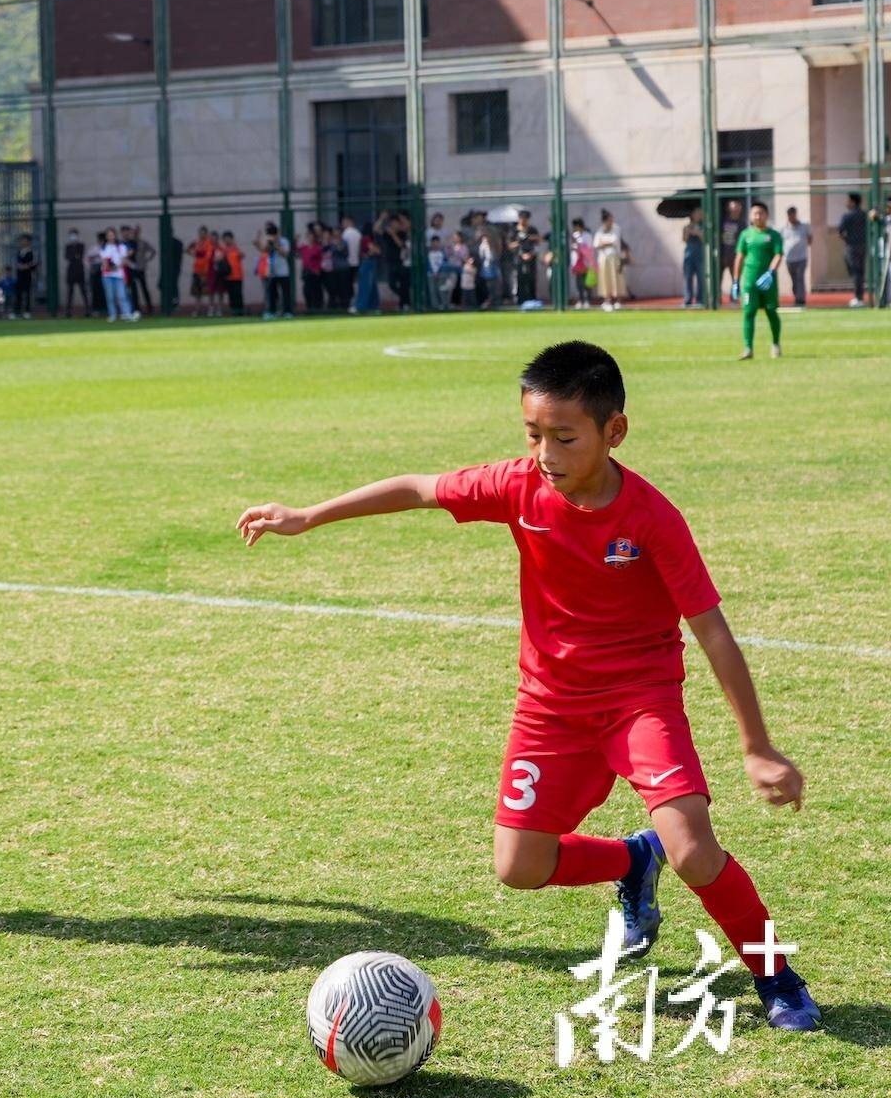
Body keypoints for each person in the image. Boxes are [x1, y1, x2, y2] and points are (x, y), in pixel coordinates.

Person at [235, 340, 821, 1033]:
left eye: (565, 437)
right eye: (533, 434)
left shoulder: (651, 518)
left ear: (614, 431)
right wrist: (308, 515)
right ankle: (633, 859)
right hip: (549, 708)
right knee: (519, 865)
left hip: (640, 704)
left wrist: (757, 746)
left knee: (693, 848)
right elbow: (419, 487)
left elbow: (713, 632)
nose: (545, 453)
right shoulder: (518, 486)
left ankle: (776, 975)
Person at [734, 201, 784, 360]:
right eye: (755, 213)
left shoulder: (773, 235)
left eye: (761, 213)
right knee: (748, 312)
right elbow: (740, 257)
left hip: (768, 283)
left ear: (766, 215)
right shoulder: (745, 235)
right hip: (749, 282)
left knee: (771, 312)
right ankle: (748, 348)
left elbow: (778, 255)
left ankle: (776, 344)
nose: (757, 216)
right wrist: (736, 280)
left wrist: (770, 272)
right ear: (750, 216)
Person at [835, 192, 868, 308]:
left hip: (851, 247)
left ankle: (858, 298)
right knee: (860, 272)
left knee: (855, 272)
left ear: (853, 202)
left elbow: (840, 232)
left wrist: (847, 239)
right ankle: (860, 297)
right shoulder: (865, 215)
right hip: (863, 246)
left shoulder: (847, 216)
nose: (846, 203)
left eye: (848, 201)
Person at [257, 222, 291, 319]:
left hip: (283, 272)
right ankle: (272, 312)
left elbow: (285, 254)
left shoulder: (284, 241)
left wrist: (276, 245)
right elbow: (263, 251)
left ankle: (287, 312)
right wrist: (266, 243)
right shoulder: (268, 241)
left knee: (285, 294)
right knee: (272, 294)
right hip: (271, 272)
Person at [780, 206, 811, 308]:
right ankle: (797, 296)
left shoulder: (804, 226)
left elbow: (810, 238)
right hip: (789, 259)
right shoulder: (783, 228)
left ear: (795, 214)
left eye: (793, 215)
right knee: (794, 279)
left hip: (801, 257)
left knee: (800, 278)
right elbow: (780, 242)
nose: (791, 217)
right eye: (789, 215)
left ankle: (800, 300)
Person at [592, 210, 625, 310]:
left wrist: (604, 243)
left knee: (616, 279)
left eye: (612, 220)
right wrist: (605, 243)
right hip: (603, 259)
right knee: (605, 280)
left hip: (614, 257)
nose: (611, 222)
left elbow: (614, 241)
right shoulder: (599, 231)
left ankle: (618, 301)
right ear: (605, 221)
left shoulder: (616, 228)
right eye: (609, 220)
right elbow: (596, 244)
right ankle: (607, 301)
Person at [99, 229, 133, 322]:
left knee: (122, 295)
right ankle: (112, 314)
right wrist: (108, 267)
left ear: (115, 235)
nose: (110, 237)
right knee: (110, 296)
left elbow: (124, 260)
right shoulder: (104, 247)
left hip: (119, 275)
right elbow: (104, 261)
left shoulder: (121, 246)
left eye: (112, 235)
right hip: (107, 275)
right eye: (109, 235)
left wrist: (117, 267)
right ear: (106, 237)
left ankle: (127, 314)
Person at [718, 199, 745, 305]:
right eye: (733, 207)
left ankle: (734, 299)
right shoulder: (722, 221)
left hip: (735, 257)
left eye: (737, 207)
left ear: (740, 209)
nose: (734, 210)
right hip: (722, 255)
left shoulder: (742, 223)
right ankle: (717, 299)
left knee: (736, 279)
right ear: (729, 208)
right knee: (718, 279)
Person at [126, 224, 155, 316]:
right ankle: (136, 307)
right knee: (134, 289)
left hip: (141, 268)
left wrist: (147, 259)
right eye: (134, 231)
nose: (135, 233)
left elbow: (153, 251)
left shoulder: (143, 242)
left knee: (144, 288)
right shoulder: (129, 243)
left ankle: (149, 307)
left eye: (137, 231)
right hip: (132, 268)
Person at [188, 226, 217, 317]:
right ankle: (197, 310)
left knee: (208, 291)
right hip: (196, 270)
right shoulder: (197, 243)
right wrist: (191, 250)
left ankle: (211, 309)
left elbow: (207, 256)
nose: (201, 235)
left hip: (205, 271)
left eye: (203, 233)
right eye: (200, 233)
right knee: (197, 292)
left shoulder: (209, 243)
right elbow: (189, 251)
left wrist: (197, 253)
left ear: (206, 234)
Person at [218, 230, 245, 317]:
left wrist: (237, 250)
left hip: (238, 276)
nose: (227, 240)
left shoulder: (236, 248)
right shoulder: (223, 250)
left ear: (232, 239)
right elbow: (217, 259)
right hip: (228, 276)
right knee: (231, 294)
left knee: (238, 294)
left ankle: (240, 311)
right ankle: (233, 311)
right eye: (225, 239)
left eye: (228, 238)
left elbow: (242, 255)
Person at [681, 213, 705, 308]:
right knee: (688, 278)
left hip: (700, 255)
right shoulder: (687, 227)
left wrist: (698, 233)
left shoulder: (703, 227)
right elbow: (684, 239)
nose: (698, 215)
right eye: (696, 213)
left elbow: (705, 239)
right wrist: (688, 232)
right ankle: (688, 299)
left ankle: (700, 300)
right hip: (689, 255)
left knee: (701, 278)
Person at [62, 228, 88, 317]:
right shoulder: (68, 246)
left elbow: (80, 255)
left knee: (83, 291)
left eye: (74, 235)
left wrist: (75, 255)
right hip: (71, 271)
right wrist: (74, 256)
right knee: (70, 292)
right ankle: (68, 311)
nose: (73, 237)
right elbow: (67, 257)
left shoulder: (81, 245)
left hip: (80, 271)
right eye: (71, 235)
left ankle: (88, 310)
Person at [11, 233, 37, 319]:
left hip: (28, 276)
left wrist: (26, 266)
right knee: (18, 294)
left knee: (27, 294)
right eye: (22, 240)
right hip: (19, 276)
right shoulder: (19, 252)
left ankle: (27, 311)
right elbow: (16, 263)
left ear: (29, 242)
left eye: (24, 240)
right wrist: (19, 266)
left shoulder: (32, 252)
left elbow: (34, 264)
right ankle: (17, 312)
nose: (22, 242)